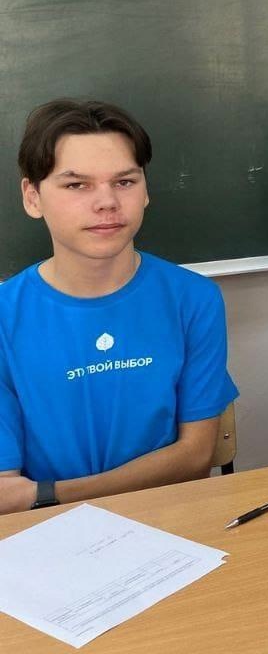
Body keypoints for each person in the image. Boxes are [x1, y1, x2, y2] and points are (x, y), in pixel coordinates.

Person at [0, 99, 238, 515]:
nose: (107, 202)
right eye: (77, 185)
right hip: (47, 531)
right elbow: (5, 492)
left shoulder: (193, 298)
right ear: (32, 197)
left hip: (168, 518)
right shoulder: (6, 316)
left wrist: (51, 493)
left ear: (145, 191)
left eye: (125, 181)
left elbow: (196, 456)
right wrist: (51, 503)